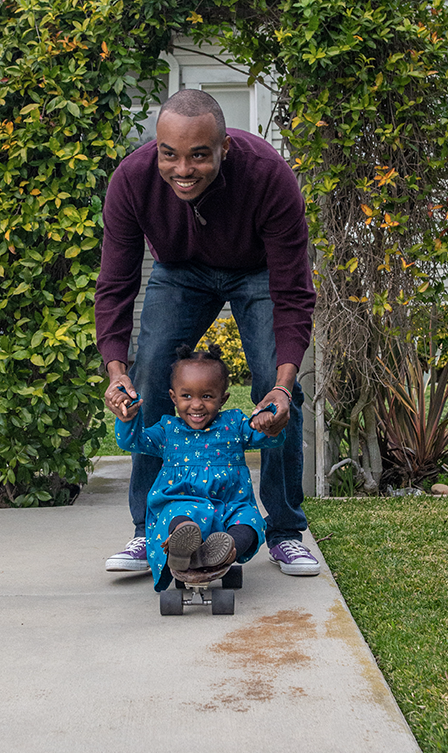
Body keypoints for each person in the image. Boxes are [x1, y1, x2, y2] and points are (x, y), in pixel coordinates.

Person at [95, 88, 320, 577]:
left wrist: (282, 385)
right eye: (169, 154)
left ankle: (284, 531)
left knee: (278, 388)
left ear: (225, 148)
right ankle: (148, 529)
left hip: (256, 271)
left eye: (199, 155)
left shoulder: (268, 177)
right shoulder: (132, 182)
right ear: (156, 148)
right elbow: (115, 284)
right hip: (180, 271)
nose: (182, 169)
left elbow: (293, 294)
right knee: (151, 373)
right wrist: (116, 372)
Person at [114, 344, 286, 592]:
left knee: (250, 521)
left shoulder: (234, 424)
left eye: (206, 396)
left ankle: (226, 549)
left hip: (230, 505)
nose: (196, 405)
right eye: (186, 396)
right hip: (182, 503)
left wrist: (269, 419)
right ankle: (183, 542)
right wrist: (128, 418)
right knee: (179, 515)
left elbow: (269, 437)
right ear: (173, 397)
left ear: (222, 398)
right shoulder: (167, 430)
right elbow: (133, 441)